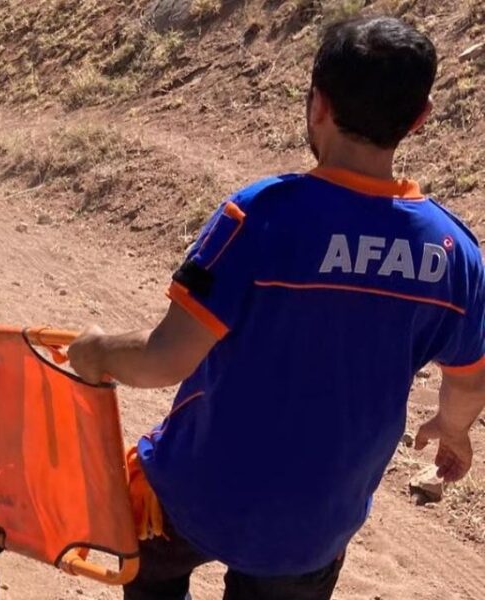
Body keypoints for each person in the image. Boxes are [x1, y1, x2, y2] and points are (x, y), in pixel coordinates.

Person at [69, 16, 485, 600]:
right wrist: (452, 429)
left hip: (196, 493)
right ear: (420, 118)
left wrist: (96, 351)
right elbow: (468, 381)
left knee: (153, 561)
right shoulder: (454, 254)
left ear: (318, 104)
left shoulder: (260, 215)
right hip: (311, 528)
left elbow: (165, 358)